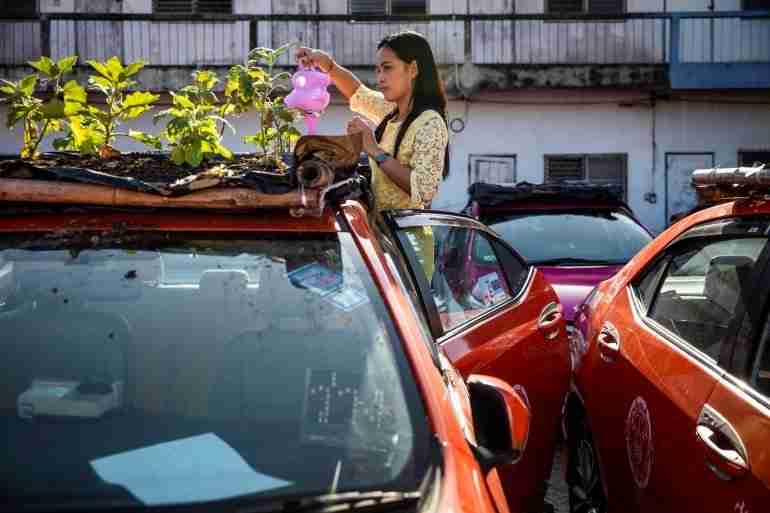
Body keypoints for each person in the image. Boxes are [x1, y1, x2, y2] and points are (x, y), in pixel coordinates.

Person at [296, 31, 449, 278]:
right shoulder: (393, 112)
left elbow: (424, 189)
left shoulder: (429, 122)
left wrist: (374, 149)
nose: (380, 77)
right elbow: (358, 93)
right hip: (380, 238)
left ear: (413, 69)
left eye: (387, 68)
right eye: (377, 70)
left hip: (410, 246)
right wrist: (328, 66)